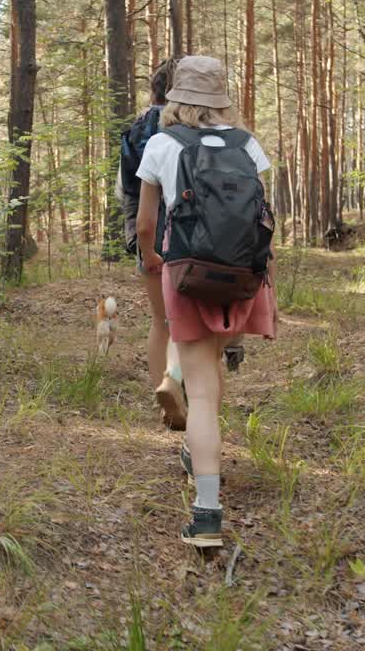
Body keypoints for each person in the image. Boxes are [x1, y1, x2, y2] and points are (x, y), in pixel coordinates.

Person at [135, 56, 277, 547]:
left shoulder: (161, 144)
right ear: (221, 98)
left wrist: (154, 258)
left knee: (198, 391)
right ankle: (203, 455)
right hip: (241, 277)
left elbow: (145, 225)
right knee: (212, 369)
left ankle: (207, 512)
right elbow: (262, 217)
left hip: (187, 273)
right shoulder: (248, 144)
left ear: (176, 98)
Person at [119, 58, 188, 431]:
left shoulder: (135, 127)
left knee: (160, 320)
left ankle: (164, 393)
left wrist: (136, 237)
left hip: (147, 230)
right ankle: (182, 386)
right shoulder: (189, 127)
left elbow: (125, 188)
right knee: (188, 319)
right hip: (187, 232)